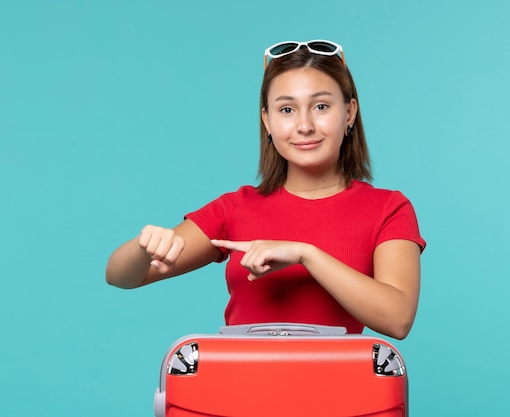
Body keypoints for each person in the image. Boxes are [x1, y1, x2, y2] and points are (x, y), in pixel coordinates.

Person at [106, 40, 425, 340]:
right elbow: (121, 277)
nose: (304, 126)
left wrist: (306, 254)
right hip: (238, 393)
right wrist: (143, 247)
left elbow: (397, 319)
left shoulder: (388, 209)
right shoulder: (235, 207)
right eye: (287, 109)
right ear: (267, 121)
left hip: (339, 394)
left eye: (321, 106)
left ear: (349, 113)